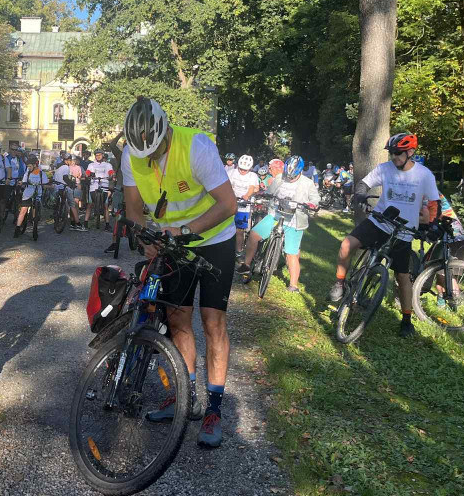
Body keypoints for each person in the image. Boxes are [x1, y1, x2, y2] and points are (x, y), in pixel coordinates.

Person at [121, 97, 237, 448]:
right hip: (173, 243)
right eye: (143, 154)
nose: (148, 159)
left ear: (166, 132)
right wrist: (146, 241)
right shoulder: (131, 154)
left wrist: (185, 231)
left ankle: (214, 407)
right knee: (177, 321)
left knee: (213, 322)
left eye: (154, 151)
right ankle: (186, 399)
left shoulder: (196, 146)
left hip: (215, 237)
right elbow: (133, 209)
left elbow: (228, 204)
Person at [328, 133, 440, 337]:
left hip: (403, 232)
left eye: (398, 153)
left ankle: (407, 320)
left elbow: (434, 203)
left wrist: (432, 224)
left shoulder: (424, 175)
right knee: (346, 244)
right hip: (379, 222)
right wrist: (360, 195)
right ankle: (340, 282)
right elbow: (363, 183)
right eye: (392, 153)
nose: (394, 158)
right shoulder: (384, 169)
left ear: (411, 152)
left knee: (403, 277)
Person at [238, 155, 319, 292]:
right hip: (275, 214)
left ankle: (293, 285)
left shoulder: (307, 183)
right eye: (288, 175)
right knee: (254, 235)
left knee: (291, 253)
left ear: (299, 172)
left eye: (292, 176)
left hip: (294, 220)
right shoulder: (279, 178)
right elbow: (269, 192)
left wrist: (312, 204)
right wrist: (263, 196)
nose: (289, 178)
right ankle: (246, 264)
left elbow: (315, 198)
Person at [229, 154, 260, 255]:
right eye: (241, 168)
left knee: (239, 230)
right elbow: (228, 185)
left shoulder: (252, 176)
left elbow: (252, 188)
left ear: (250, 169)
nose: (242, 171)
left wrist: (247, 195)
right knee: (225, 226)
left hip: (243, 205)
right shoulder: (232, 172)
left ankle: (239, 250)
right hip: (231, 201)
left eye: (245, 170)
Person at [14, 154, 50, 237]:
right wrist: (21, 183)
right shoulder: (28, 173)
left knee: (35, 212)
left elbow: (45, 184)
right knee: (23, 210)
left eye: (30, 166)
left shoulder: (42, 174)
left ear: (35, 165)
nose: (28, 168)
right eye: (28, 166)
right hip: (28, 194)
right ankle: (17, 228)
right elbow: (23, 183)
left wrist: (50, 185)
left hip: (37, 194)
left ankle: (35, 227)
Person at [84, 149, 114, 231]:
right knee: (90, 205)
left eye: (100, 155)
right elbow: (88, 172)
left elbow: (111, 172)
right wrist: (87, 175)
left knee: (105, 206)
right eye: (96, 155)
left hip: (104, 185)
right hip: (94, 185)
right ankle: (85, 223)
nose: (98, 156)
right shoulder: (91, 165)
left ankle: (107, 225)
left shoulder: (107, 165)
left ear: (103, 155)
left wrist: (111, 176)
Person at [52, 153, 81, 229]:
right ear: (68, 160)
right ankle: (77, 224)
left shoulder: (59, 168)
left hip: (57, 188)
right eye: (71, 160)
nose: (71, 162)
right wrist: (72, 184)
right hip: (65, 188)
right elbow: (65, 178)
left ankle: (57, 218)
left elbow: (54, 178)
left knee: (59, 204)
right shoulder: (66, 167)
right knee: (72, 205)